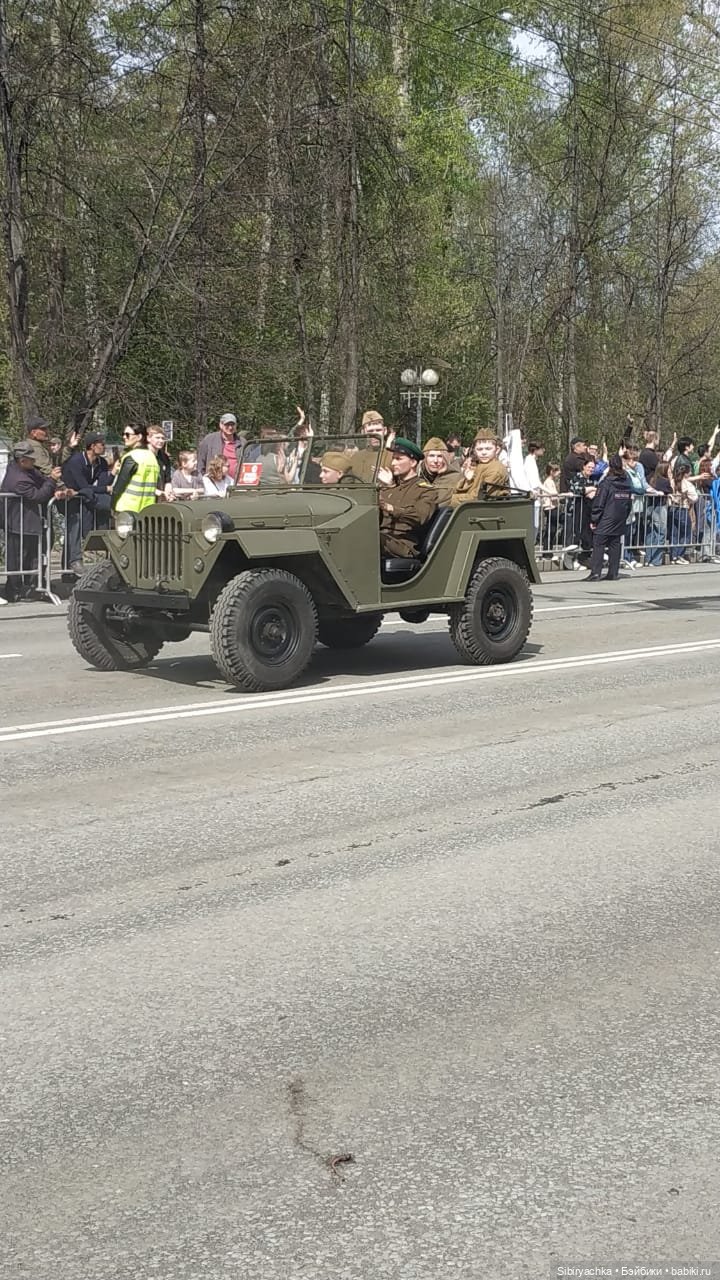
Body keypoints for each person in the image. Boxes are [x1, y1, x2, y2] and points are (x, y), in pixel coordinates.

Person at [0, 442, 58, 600]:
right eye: (31, 459)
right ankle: (14, 590)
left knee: (34, 555)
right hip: (18, 522)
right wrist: (52, 480)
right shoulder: (18, 479)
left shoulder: (26, 470)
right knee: (18, 558)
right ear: (22, 460)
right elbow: (38, 496)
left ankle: (32, 586)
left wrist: (52, 484)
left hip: (27, 521)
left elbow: (41, 482)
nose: (34, 462)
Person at [61, 431, 113, 574]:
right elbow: (82, 484)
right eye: (102, 444)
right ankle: (75, 560)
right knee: (75, 524)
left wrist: (112, 474)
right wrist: (104, 489)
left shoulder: (101, 462)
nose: (104, 447)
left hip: (83, 496)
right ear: (92, 446)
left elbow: (101, 484)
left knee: (76, 527)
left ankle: (67, 568)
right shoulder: (76, 461)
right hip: (68, 497)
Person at [379, 437, 437, 557]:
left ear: (413, 462)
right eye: (393, 459)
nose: (393, 463)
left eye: (398, 459)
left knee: (368, 537)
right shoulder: (390, 487)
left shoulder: (425, 490)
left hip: (404, 544)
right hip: (383, 538)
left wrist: (390, 508)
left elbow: (420, 516)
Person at [586, 454, 632, 581]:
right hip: (619, 518)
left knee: (599, 543)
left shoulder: (606, 483)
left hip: (606, 518)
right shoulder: (627, 482)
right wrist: (624, 516)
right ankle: (613, 572)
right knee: (615, 544)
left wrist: (594, 519)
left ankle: (596, 572)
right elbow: (629, 503)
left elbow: (599, 502)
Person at [449, 430, 509, 507]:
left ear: (496, 450)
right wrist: (468, 480)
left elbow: (478, 497)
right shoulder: (480, 465)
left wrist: (451, 499)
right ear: (475, 451)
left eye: (488, 449)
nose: (484, 452)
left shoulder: (496, 469)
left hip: (483, 509)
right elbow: (463, 490)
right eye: (480, 449)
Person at [111, 425, 162, 514]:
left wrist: (112, 505)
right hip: (147, 510)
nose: (124, 437)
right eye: (123, 434)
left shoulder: (132, 457)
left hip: (126, 509)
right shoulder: (152, 458)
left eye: (127, 435)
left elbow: (119, 486)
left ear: (139, 437)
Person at [349, 410, 395, 483]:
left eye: (378, 430)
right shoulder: (355, 457)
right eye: (370, 431)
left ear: (385, 431)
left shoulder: (393, 456)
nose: (375, 434)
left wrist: (390, 482)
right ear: (363, 432)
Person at [418, 437, 461, 505]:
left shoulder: (456, 478)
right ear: (425, 458)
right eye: (431, 456)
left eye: (440, 456)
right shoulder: (416, 476)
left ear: (445, 459)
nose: (435, 460)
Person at [16, 415, 62, 480]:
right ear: (34, 432)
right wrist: (63, 488)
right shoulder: (34, 448)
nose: (46, 431)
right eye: (43, 429)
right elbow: (48, 471)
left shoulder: (37, 445)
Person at [645, 461, 671, 566]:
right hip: (660, 508)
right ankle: (656, 560)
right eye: (669, 469)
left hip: (650, 507)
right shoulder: (664, 481)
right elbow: (670, 490)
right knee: (661, 533)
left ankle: (648, 558)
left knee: (651, 533)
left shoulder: (652, 479)